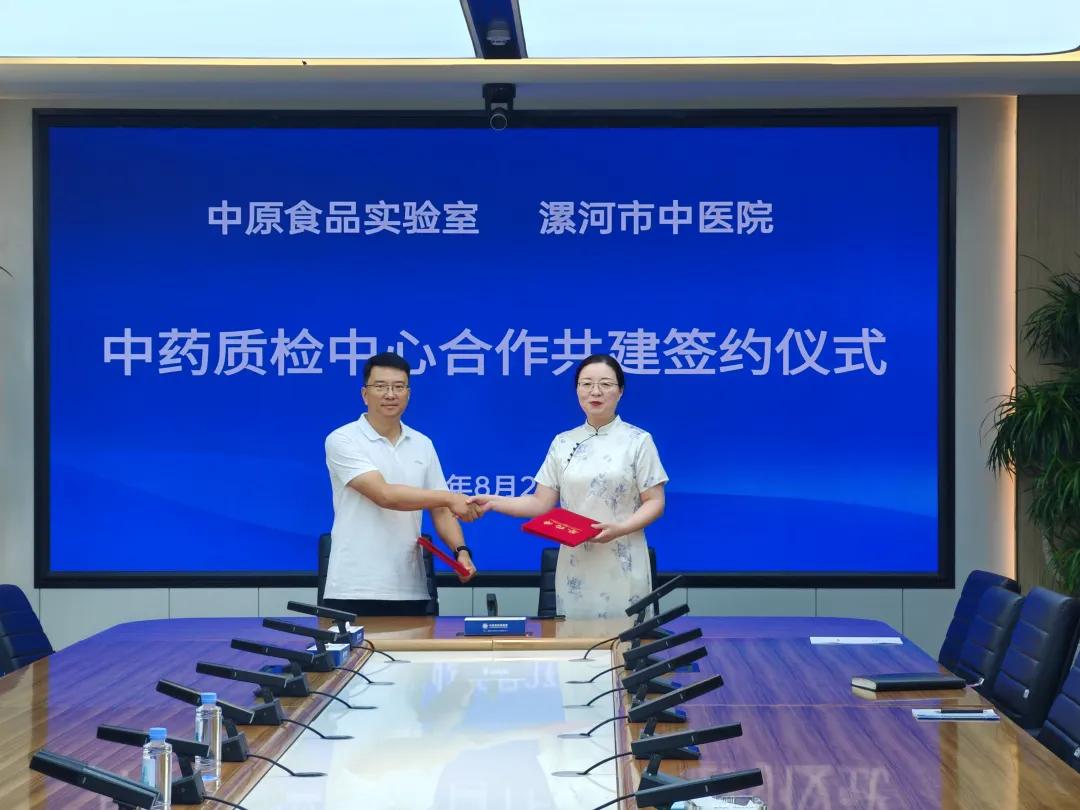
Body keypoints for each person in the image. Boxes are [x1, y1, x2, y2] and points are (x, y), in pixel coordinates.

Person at [471, 354, 668, 619]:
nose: (595, 391)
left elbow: (655, 502)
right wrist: (494, 502)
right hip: (576, 563)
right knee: (575, 639)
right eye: (586, 384)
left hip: (623, 558)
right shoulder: (562, 442)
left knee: (626, 638)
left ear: (620, 391)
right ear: (577, 390)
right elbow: (540, 503)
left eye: (605, 384)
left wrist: (620, 529)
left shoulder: (638, 440)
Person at [323, 352, 478, 616]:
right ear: (365, 394)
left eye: (398, 387)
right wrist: (450, 498)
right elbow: (385, 495)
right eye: (380, 386)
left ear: (408, 394)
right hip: (354, 586)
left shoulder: (422, 444)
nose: (390, 394)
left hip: (411, 587)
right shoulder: (342, 439)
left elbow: (441, 510)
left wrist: (461, 551)